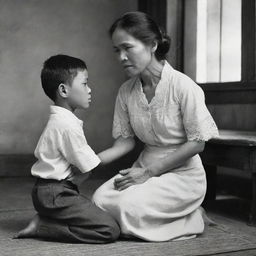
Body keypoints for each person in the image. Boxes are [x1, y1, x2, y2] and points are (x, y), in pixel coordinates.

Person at [92, 11, 219, 242]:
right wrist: (87, 162)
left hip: (182, 175)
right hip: (141, 169)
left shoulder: (183, 87)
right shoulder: (126, 91)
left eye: (127, 48)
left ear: (152, 44)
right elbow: (124, 142)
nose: (121, 57)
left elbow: (197, 144)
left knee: (127, 207)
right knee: (98, 200)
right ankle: (169, 218)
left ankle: (193, 217)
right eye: (116, 50)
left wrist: (149, 173)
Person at [14, 54, 120, 243]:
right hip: (55, 194)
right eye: (85, 84)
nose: (90, 90)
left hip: (50, 192)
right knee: (109, 229)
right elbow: (90, 165)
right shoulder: (66, 125)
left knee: (97, 214)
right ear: (63, 90)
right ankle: (44, 226)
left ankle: (47, 218)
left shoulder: (62, 120)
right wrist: (122, 148)